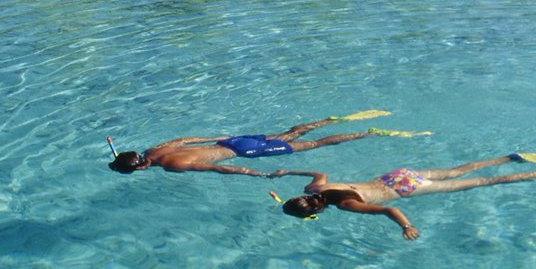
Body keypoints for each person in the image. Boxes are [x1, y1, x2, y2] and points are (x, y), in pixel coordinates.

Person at [271, 154, 536, 241]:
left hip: (405, 188)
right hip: (396, 175)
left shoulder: (345, 204)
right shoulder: (316, 189)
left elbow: (387, 210)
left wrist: (405, 226)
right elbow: (319, 172)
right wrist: (288, 172)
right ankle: (510, 157)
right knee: (459, 169)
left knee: (482, 183)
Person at [107, 111, 427, 176]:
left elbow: (218, 169)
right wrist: (222, 135)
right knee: (291, 132)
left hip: (241, 150)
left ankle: (369, 133)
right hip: (231, 139)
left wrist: (253, 173)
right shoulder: (154, 150)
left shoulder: (171, 166)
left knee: (314, 146)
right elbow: (187, 139)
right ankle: (334, 118)